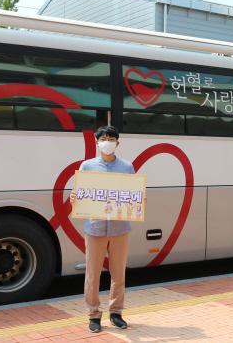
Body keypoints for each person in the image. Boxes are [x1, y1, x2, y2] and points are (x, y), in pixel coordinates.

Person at [70, 126, 146, 333]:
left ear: (117, 143)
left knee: (118, 272)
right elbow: (79, 194)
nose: (107, 142)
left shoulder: (127, 166)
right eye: (103, 139)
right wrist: (74, 198)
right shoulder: (87, 166)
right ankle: (93, 315)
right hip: (94, 226)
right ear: (96, 142)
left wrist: (139, 200)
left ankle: (116, 312)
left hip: (120, 227)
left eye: (111, 139)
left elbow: (133, 194)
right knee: (92, 274)